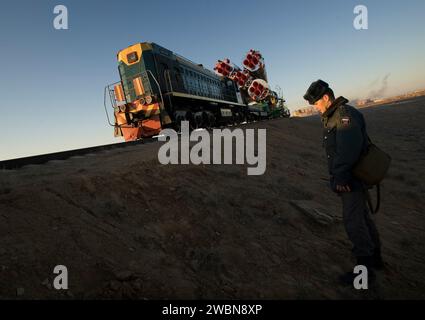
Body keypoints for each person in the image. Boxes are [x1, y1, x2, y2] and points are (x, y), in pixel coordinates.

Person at [303, 80, 384, 285]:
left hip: (350, 179)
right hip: (351, 177)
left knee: (353, 222)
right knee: (362, 218)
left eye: (316, 103)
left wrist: (340, 178)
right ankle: (375, 259)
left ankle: (364, 274)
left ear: (326, 98)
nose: (315, 107)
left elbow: (347, 152)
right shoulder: (334, 116)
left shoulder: (343, 116)